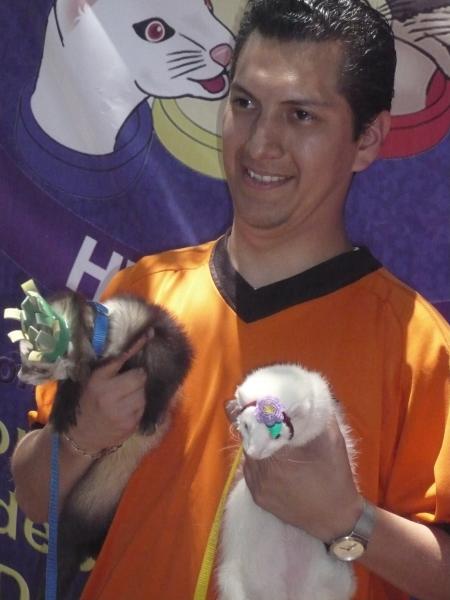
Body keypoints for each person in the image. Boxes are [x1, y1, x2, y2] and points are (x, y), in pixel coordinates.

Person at [11, 1, 450, 599]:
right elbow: (35, 498)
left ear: (367, 138)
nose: (260, 143)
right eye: (244, 103)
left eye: (301, 115)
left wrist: (345, 520)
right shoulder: (143, 292)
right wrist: (81, 434)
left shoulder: (419, 348)